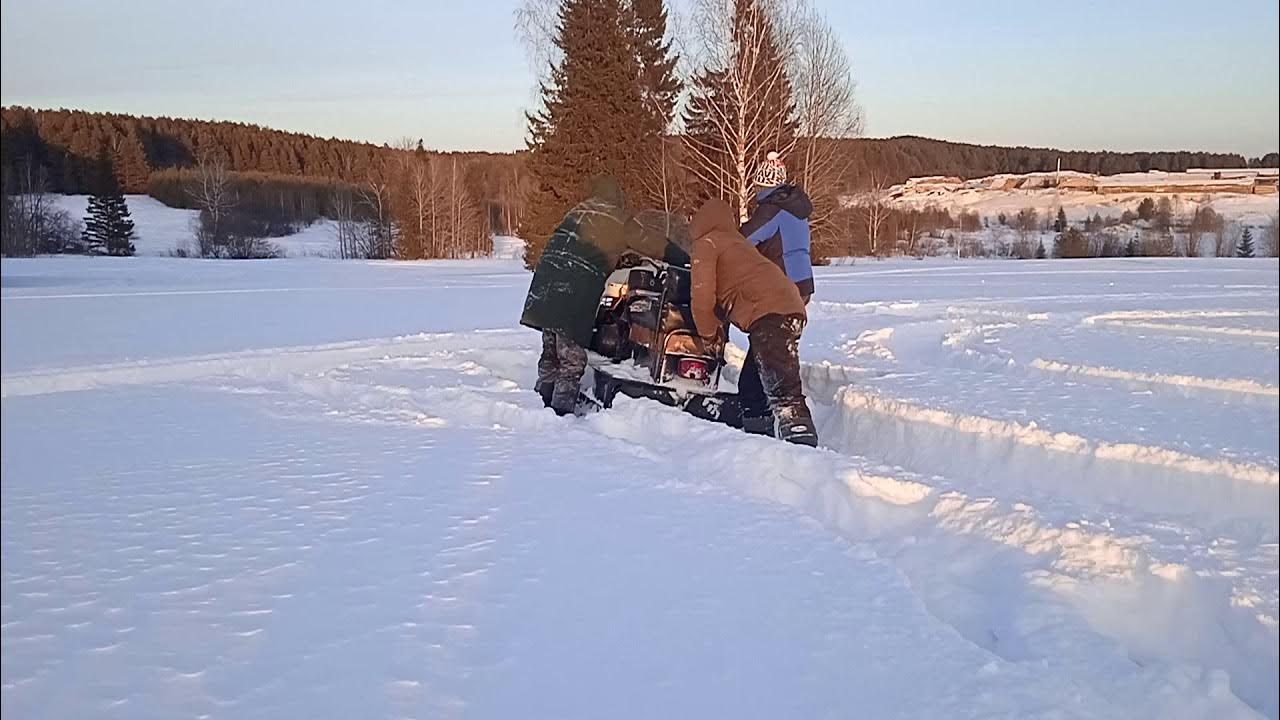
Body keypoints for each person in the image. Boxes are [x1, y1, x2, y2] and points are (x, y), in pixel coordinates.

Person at [521, 176, 689, 416]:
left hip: (545, 286)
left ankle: (541, 401)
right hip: (572, 292)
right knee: (572, 360)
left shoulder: (578, 212)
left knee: (551, 352)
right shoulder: (617, 219)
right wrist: (683, 258)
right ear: (617, 199)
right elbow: (652, 243)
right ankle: (558, 416)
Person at [688, 197, 818, 446]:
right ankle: (759, 444)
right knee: (751, 388)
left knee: (783, 392)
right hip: (789, 305)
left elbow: (702, 296)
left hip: (769, 313)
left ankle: (803, 449)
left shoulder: (707, 243)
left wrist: (708, 336)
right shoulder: (737, 242)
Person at [736, 151, 815, 436]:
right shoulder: (795, 209)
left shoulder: (774, 208)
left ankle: (775, 427)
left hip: (780, 290)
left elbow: (742, 239)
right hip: (800, 288)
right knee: (768, 354)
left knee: (769, 357)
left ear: (764, 184)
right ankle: (760, 421)